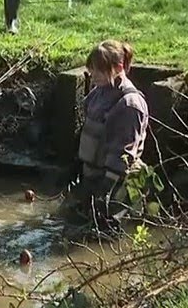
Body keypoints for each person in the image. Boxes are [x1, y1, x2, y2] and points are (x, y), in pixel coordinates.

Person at [61, 40, 150, 233]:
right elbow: (88, 132)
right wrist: (78, 164)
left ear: (118, 68)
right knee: (75, 223)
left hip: (117, 180)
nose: (92, 75)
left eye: (98, 71)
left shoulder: (129, 104)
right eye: (91, 70)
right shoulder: (97, 93)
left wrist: (106, 189)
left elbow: (124, 152)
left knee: (106, 232)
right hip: (93, 173)